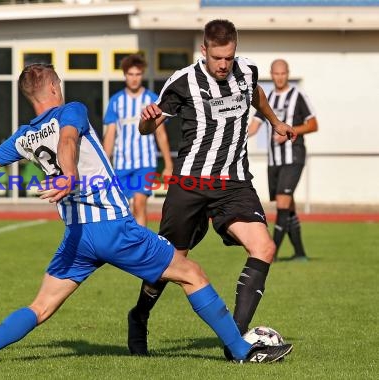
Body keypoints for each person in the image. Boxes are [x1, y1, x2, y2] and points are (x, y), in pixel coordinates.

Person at [0, 63, 292, 365]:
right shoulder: (72, 110)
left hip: (76, 239)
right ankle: (242, 352)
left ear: (29, 97)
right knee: (192, 274)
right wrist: (69, 175)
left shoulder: (23, 136)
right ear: (55, 87)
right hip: (113, 228)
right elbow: (68, 142)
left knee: (41, 306)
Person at [125, 19, 297, 358]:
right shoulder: (182, 82)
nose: (223, 65)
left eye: (228, 57)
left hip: (234, 182)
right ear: (204, 50)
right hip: (189, 183)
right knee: (171, 261)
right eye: (217, 57)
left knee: (263, 247)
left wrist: (275, 122)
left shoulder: (246, 72)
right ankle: (139, 316)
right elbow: (148, 128)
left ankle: (234, 343)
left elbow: (257, 96)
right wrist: (146, 118)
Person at [248, 59, 318, 261]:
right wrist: (236, 136)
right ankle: (300, 253)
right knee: (288, 206)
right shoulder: (268, 96)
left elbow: (313, 124)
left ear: (288, 74)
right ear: (271, 74)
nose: (279, 77)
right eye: (276, 74)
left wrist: (292, 130)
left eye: (283, 73)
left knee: (282, 203)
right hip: (274, 160)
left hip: (293, 157)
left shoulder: (298, 95)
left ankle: (272, 252)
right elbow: (255, 125)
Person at [102, 54, 173, 226]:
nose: (134, 78)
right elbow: (110, 135)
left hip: (145, 163)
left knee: (140, 204)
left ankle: (140, 249)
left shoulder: (152, 100)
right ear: (125, 75)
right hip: (121, 164)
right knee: (124, 210)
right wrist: (103, 165)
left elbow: (161, 133)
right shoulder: (115, 101)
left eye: (138, 74)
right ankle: (127, 247)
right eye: (130, 74)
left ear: (142, 75)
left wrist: (169, 165)